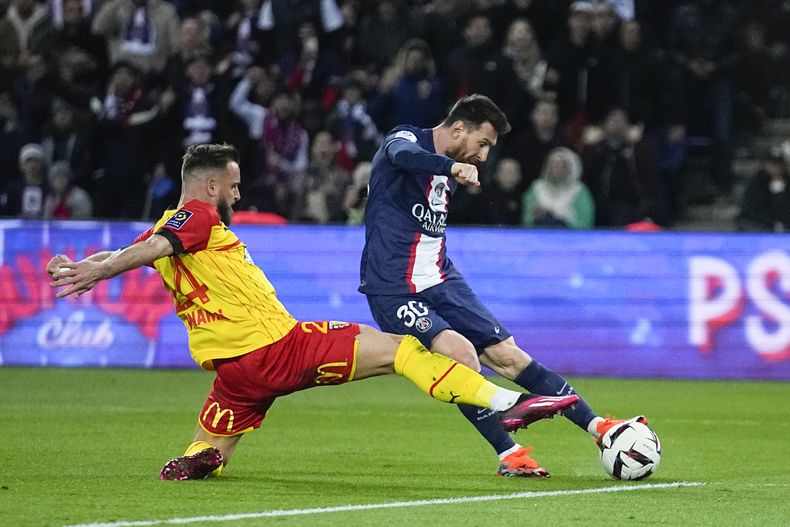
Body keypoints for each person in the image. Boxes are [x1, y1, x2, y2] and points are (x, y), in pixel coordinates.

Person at [46, 143, 579, 481]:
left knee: (211, 449)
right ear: (211, 185)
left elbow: (135, 252)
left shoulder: (170, 225)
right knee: (404, 350)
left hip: (233, 374)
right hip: (280, 346)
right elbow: (152, 251)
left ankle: (200, 455)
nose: (237, 192)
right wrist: (95, 274)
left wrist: (87, 267)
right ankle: (508, 401)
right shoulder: (198, 217)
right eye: (233, 184)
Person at [360, 94, 645, 478]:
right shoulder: (406, 140)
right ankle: (510, 454)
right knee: (461, 355)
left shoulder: (457, 167)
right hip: (393, 287)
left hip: (441, 278)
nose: (483, 156)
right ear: (458, 128)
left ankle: (600, 429)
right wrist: (451, 168)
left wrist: (454, 169)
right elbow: (399, 155)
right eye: (483, 144)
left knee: (509, 356)